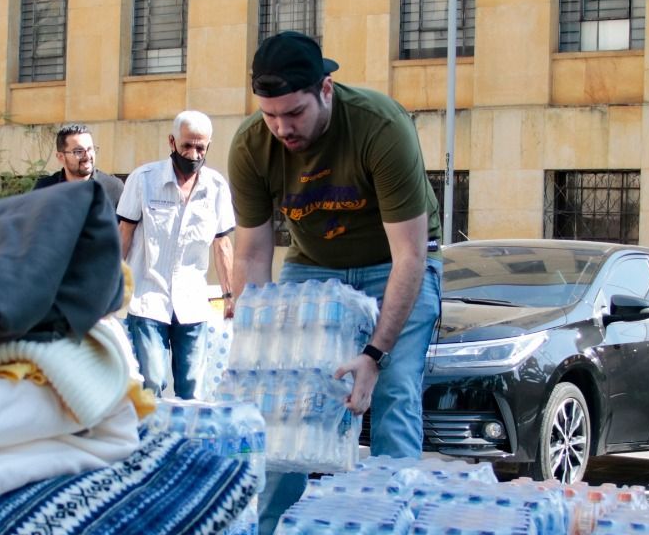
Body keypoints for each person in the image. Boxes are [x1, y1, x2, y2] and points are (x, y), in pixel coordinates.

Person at [229, 30, 443, 458]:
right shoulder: (251, 146)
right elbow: (251, 254)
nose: (282, 128)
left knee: (395, 387)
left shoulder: (380, 126)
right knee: (284, 395)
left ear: (325, 89)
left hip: (392, 264)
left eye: (295, 112)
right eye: (270, 115)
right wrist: (259, 344)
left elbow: (410, 254)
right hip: (313, 265)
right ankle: (275, 505)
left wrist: (374, 355)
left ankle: (393, 497)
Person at [117, 111, 235, 399]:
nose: (193, 154)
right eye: (187, 146)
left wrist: (230, 295)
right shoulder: (143, 180)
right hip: (147, 298)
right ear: (172, 142)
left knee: (192, 389)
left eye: (201, 147)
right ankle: (150, 429)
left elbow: (222, 244)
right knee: (152, 381)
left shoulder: (216, 187)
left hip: (193, 303)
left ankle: (186, 430)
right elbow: (124, 234)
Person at [32, 123, 125, 208]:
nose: (87, 156)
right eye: (79, 151)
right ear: (61, 157)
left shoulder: (114, 187)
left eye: (90, 149)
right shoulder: (44, 188)